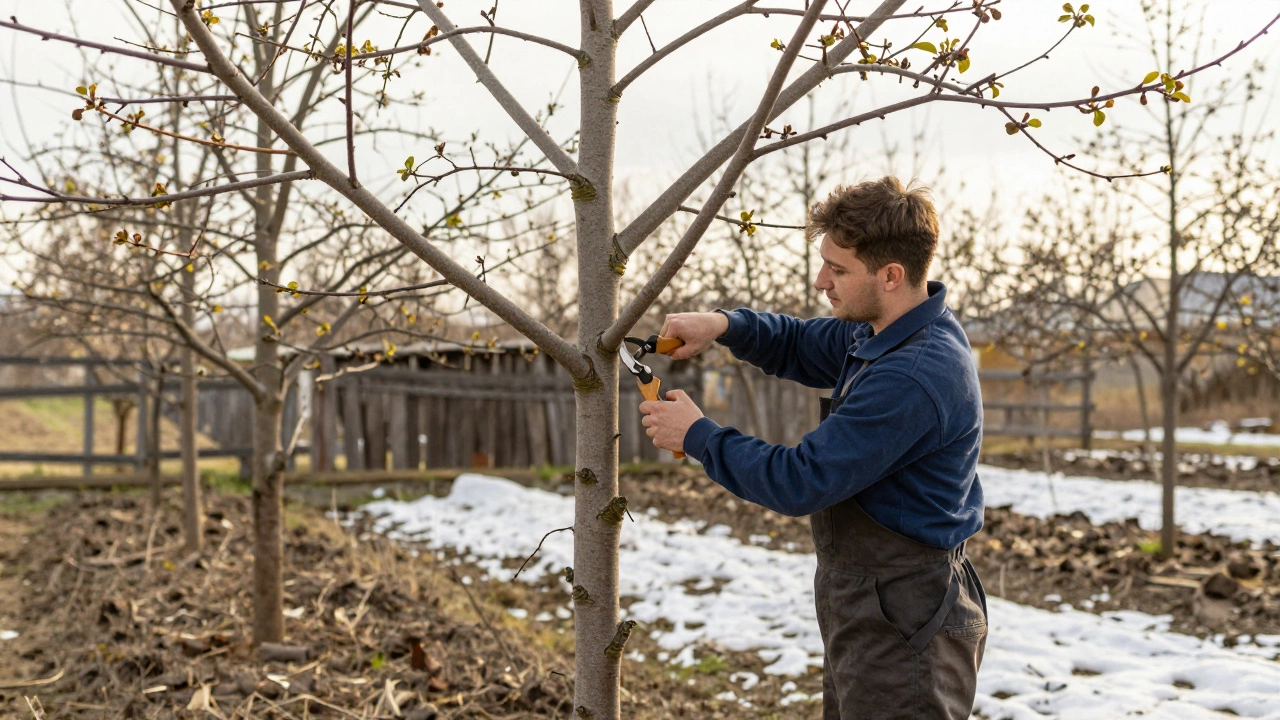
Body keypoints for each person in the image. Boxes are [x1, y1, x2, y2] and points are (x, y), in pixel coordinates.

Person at [639, 176, 987, 719]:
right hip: (870, 603)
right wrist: (724, 325)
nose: (822, 280)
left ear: (891, 275)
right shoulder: (881, 332)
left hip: (906, 613)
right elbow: (800, 342)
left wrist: (698, 436)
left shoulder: (914, 373)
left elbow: (803, 479)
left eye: (838, 269)